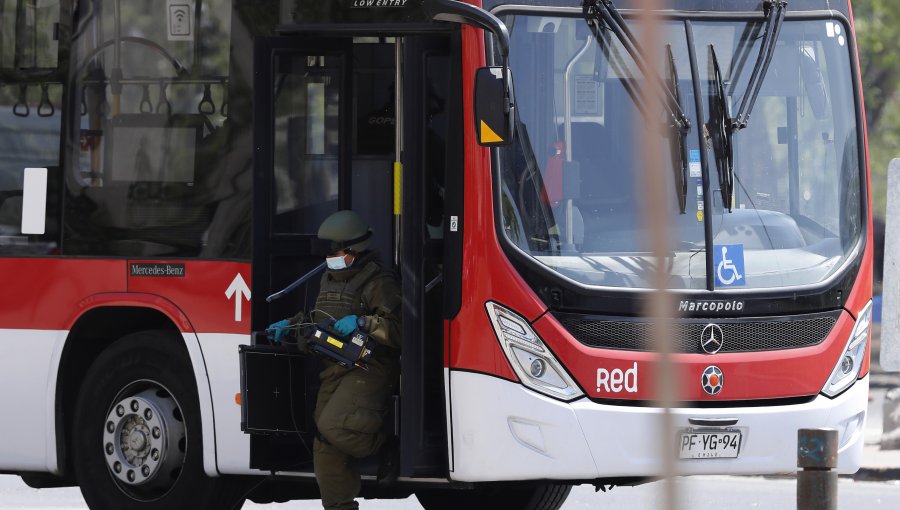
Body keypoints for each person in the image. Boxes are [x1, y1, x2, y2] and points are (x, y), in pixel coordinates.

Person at [268, 209, 401, 510]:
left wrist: (364, 323)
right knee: (324, 444)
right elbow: (320, 321)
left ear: (355, 251)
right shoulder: (329, 279)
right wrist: (290, 327)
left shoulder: (379, 282)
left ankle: (388, 447)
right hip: (335, 367)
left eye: (336, 250)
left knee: (332, 426)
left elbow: (400, 330)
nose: (331, 256)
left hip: (369, 367)